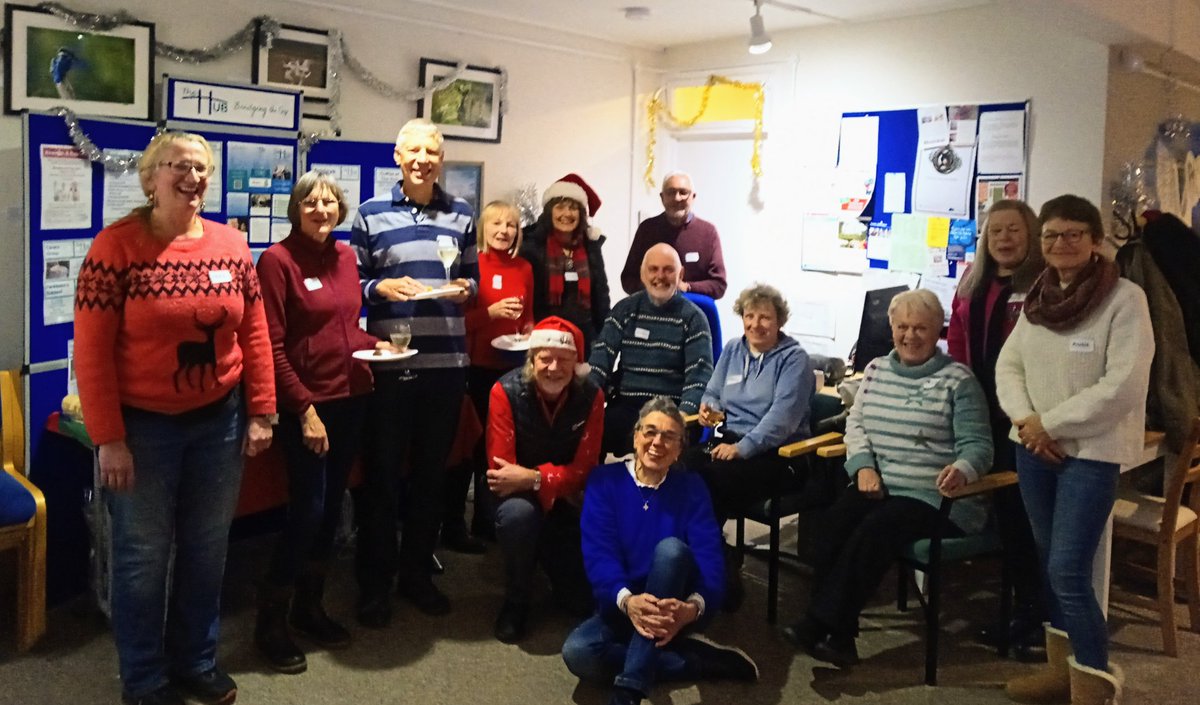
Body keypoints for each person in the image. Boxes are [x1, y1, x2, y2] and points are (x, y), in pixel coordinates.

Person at [74, 131, 275, 705]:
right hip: (143, 429)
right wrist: (109, 439)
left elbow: (254, 333)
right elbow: (90, 352)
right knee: (142, 557)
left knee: (208, 547)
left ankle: (196, 660)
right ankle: (143, 677)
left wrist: (261, 411)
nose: (192, 177)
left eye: (202, 168)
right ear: (150, 177)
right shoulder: (116, 247)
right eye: (178, 166)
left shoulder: (231, 244)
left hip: (221, 421)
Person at [781, 289, 992, 668]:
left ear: (937, 331)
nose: (910, 336)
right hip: (880, 484)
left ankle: (820, 624)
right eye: (903, 327)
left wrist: (962, 469)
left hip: (936, 498)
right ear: (891, 328)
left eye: (921, 328)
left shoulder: (958, 381)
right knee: (833, 525)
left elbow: (979, 446)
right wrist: (862, 466)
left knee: (875, 529)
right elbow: (856, 425)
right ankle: (841, 637)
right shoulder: (876, 370)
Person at [996, 195, 1152, 705]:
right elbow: (1008, 367)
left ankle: (1095, 684)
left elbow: (1122, 385)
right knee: (1049, 564)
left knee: (1067, 569)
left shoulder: (1125, 299)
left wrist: (1049, 425)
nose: (1060, 244)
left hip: (1090, 453)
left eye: (1073, 234)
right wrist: (1027, 424)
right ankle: (1064, 675)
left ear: (1096, 240)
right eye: (1051, 236)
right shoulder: (1038, 297)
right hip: (1034, 450)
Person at [253, 171, 391, 673]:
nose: (321, 209)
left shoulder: (346, 256)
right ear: (296, 209)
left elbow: (346, 328)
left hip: (351, 397)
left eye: (330, 202)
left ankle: (310, 609)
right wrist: (305, 409)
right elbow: (271, 344)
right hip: (306, 407)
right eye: (311, 202)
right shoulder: (277, 260)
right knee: (307, 511)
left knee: (332, 510)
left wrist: (380, 346)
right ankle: (270, 624)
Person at [350, 118, 479, 628]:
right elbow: (355, 282)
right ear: (398, 157)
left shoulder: (462, 214)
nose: (424, 158)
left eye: (432, 150)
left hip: (447, 366)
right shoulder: (369, 213)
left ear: (440, 159)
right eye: (415, 151)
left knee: (431, 478)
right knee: (381, 478)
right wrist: (378, 289)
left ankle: (416, 577)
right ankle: (374, 585)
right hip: (392, 365)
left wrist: (467, 289)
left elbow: (469, 279)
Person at [562, 397, 758, 705]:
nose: (657, 442)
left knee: (671, 551)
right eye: (650, 432)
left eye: (669, 436)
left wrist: (692, 609)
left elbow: (710, 558)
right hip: (624, 601)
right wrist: (628, 602)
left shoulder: (691, 486)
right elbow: (599, 555)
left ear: (681, 448)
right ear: (636, 435)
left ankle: (629, 692)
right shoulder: (604, 481)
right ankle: (693, 662)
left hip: (674, 607)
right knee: (578, 654)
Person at [947, 199, 1049, 658]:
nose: (1004, 239)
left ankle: (1036, 617)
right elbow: (957, 343)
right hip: (981, 414)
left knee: (1028, 522)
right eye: (995, 232)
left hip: (1027, 422)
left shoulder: (1045, 287)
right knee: (1008, 519)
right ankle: (1020, 610)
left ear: (1030, 235)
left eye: (1014, 230)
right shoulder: (973, 284)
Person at [684, 283, 814, 610]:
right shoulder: (732, 348)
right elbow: (713, 391)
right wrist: (708, 408)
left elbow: (782, 420)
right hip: (728, 445)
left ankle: (715, 570)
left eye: (765, 317)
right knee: (675, 470)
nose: (756, 324)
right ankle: (707, 558)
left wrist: (743, 447)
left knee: (707, 484)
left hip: (778, 455)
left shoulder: (794, 360)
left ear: (779, 321)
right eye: (749, 315)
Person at [486, 317, 603, 642]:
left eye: (563, 359)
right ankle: (516, 598)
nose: (553, 367)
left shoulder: (592, 396)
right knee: (519, 517)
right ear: (532, 359)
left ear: (576, 363)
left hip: (563, 500)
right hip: (515, 499)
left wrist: (536, 477)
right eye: (544, 358)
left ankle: (548, 553)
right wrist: (550, 479)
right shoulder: (503, 391)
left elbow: (586, 469)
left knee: (580, 602)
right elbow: (501, 472)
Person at [447, 200, 535, 552]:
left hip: (513, 371)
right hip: (475, 369)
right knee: (469, 448)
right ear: (483, 228)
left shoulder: (525, 268)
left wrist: (528, 332)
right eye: (496, 223)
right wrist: (490, 313)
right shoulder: (471, 267)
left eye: (511, 225)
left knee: (501, 451)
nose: (504, 230)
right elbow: (457, 324)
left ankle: (489, 522)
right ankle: (454, 524)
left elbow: (528, 317)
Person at [589, 244, 713, 456]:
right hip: (628, 405)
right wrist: (586, 399)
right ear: (642, 274)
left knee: (666, 444)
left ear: (680, 274)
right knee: (590, 434)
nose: (660, 276)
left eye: (668, 270)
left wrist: (683, 415)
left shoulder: (693, 318)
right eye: (653, 269)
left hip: (671, 408)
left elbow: (699, 377)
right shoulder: (625, 310)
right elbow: (601, 359)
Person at [519, 173, 610, 347]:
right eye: (560, 207)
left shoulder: (591, 247)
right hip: (545, 335)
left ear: (581, 213)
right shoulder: (531, 246)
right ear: (549, 211)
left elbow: (601, 296)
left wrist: (604, 337)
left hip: (585, 337)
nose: (567, 214)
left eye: (573, 208)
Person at [620, 172, 727, 299]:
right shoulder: (647, 229)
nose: (677, 198)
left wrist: (686, 287)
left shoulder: (708, 232)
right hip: (652, 311)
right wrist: (656, 288)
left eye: (683, 192)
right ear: (662, 197)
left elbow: (719, 285)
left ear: (693, 196)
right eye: (671, 192)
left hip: (695, 311)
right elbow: (628, 279)